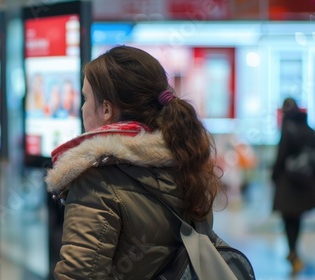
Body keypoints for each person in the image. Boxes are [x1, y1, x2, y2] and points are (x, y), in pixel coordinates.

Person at [44, 45, 222, 279]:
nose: (82, 108)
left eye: (86, 98)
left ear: (106, 109)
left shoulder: (96, 181)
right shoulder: (187, 161)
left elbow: (80, 275)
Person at [271, 97, 315, 275]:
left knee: (288, 219)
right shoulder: (309, 130)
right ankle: (293, 251)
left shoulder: (287, 129)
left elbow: (281, 156)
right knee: (296, 218)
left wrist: (275, 175)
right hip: (304, 182)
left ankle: (292, 251)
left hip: (288, 183)